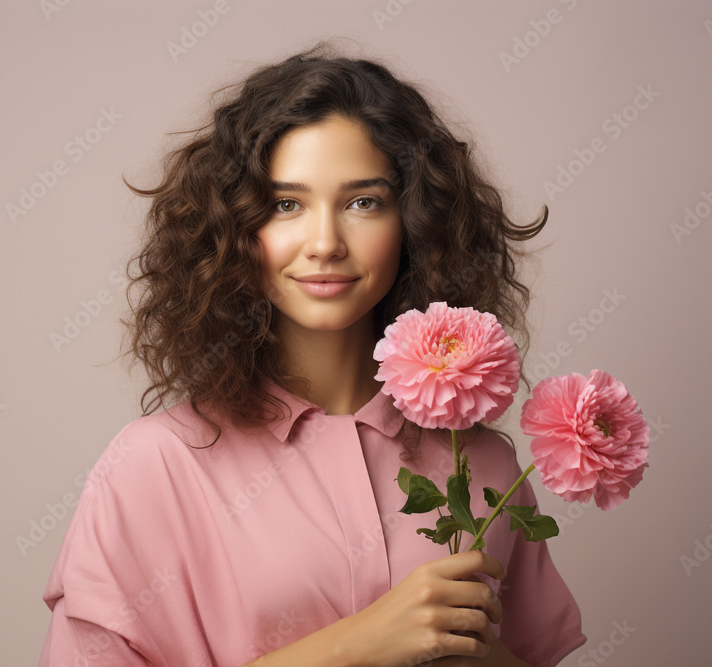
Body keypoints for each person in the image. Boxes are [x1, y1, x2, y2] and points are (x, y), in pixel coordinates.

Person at [38, 40, 587, 667]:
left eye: (363, 202)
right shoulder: (156, 465)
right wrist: (360, 645)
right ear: (234, 230)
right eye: (285, 205)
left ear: (413, 223)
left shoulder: (484, 464)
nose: (325, 242)